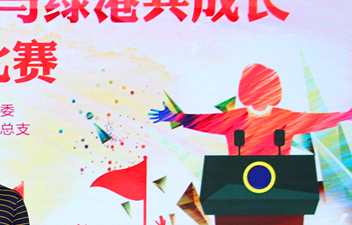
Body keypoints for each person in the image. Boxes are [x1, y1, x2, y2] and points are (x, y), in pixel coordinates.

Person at [149, 63, 352, 155]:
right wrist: (174, 117)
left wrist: (345, 115)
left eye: (267, 89)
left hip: (280, 185)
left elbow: (317, 120)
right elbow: (202, 121)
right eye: (258, 88)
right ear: (247, 91)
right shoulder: (234, 119)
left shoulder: (285, 119)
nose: (262, 94)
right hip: (239, 183)